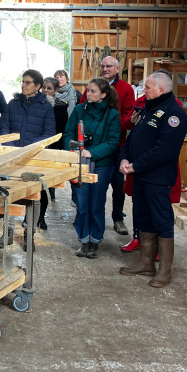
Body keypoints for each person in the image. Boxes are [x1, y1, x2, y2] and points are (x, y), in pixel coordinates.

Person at [119, 72, 187, 288]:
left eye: (147, 87)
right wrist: (124, 158)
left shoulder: (174, 114)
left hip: (157, 178)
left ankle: (164, 271)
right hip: (139, 175)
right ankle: (146, 263)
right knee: (143, 218)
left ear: (161, 89)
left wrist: (136, 165)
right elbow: (133, 138)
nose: (143, 91)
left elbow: (164, 151)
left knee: (161, 221)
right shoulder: (149, 108)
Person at [0, 69, 56, 248]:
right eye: (23, 82)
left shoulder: (46, 107)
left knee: (33, 196)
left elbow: (49, 133)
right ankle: (7, 232)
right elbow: (4, 124)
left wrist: (29, 148)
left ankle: (28, 233)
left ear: (38, 86)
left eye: (28, 82)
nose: (23, 85)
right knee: (9, 193)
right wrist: (11, 145)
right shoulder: (13, 103)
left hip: (33, 157)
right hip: (13, 155)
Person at [63, 78, 120, 258]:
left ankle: (95, 241)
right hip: (80, 164)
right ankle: (83, 239)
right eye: (88, 91)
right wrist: (73, 151)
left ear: (103, 95)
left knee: (96, 203)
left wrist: (92, 152)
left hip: (101, 165)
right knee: (81, 203)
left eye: (93, 91)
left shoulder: (112, 115)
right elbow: (68, 133)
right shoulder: (79, 110)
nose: (89, 94)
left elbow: (113, 142)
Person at [99, 56, 136, 237]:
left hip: (117, 145)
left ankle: (117, 218)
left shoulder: (126, 89)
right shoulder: (94, 86)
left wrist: (112, 126)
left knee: (118, 185)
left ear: (117, 69)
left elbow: (129, 116)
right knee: (96, 184)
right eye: (103, 66)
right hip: (96, 147)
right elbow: (84, 108)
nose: (105, 69)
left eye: (109, 66)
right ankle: (94, 217)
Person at [39, 77, 69, 229]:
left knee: (46, 185)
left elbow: (62, 130)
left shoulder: (61, 107)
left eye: (49, 88)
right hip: (37, 148)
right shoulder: (36, 103)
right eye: (43, 87)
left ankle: (41, 217)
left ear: (56, 91)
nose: (45, 91)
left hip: (53, 148)